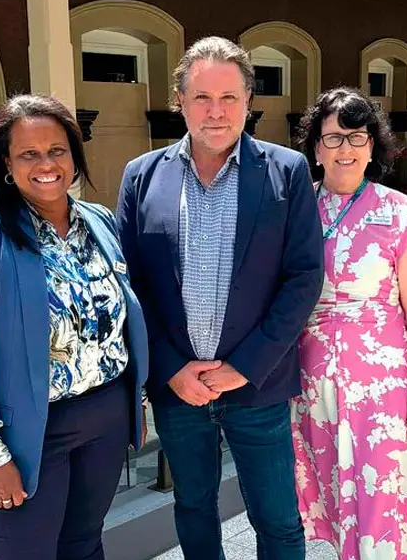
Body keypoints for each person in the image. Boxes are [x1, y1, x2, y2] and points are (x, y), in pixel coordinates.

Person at [116, 36, 324, 559]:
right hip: (179, 388)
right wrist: (170, 368)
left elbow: (303, 277)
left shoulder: (287, 171)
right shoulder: (142, 176)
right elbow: (130, 284)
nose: (216, 111)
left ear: (248, 101)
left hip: (257, 385)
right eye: (202, 98)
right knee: (193, 507)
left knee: (277, 519)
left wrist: (243, 367)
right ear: (180, 102)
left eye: (229, 97)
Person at [0, 94, 149, 560]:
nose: (46, 164)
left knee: (84, 546)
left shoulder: (100, 222)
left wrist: (137, 401)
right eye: (29, 153)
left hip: (106, 419)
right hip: (27, 434)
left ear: (74, 157)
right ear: (7, 165)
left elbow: (121, 323)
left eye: (57, 150)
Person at [292, 87, 407, 559]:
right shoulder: (293, 210)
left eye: (357, 137)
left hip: (380, 384)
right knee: (329, 492)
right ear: (316, 148)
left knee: (379, 493)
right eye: (333, 137)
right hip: (310, 381)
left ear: (372, 146)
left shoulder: (399, 213)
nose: (346, 149)